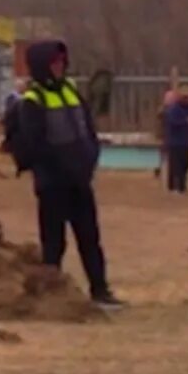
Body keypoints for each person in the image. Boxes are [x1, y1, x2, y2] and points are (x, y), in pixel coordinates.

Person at [13, 40, 124, 309]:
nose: (60, 68)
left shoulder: (72, 91)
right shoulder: (32, 101)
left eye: (62, 63)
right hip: (52, 184)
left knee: (90, 239)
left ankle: (100, 291)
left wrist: (89, 159)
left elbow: (88, 129)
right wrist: (61, 167)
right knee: (53, 243)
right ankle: (52, 295)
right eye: (54, 64)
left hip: (80, 181)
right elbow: (36, 145)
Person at [163, 84, 188, 193]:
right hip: (175, 141)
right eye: (184, 97)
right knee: (177, 166)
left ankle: (181, 185)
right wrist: (185, 121)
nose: (186, 99)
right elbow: (173, 122)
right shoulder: (174, 109)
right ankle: (177, 187)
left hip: (186, 141)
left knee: (186, 164)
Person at [153, 89, 174, 179]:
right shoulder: (162, 109)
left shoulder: (175, 108)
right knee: (162, 154)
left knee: (171, 154)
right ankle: (159, 169)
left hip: (173, 135)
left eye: (170, 98)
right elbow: (159, 116)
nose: (168, 100)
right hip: (164, 134)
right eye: (167, 98)